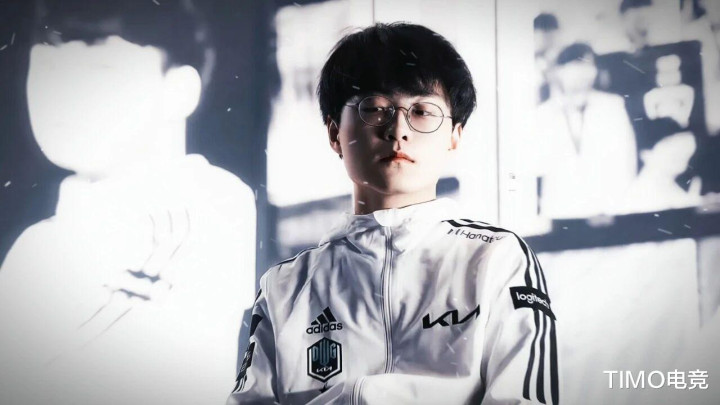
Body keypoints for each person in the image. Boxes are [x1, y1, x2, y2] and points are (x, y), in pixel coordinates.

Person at [227, 23, 561, 405]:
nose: (398, 130)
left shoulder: (496, 259)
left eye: (422, 111)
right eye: (375, 109)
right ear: (335, 134)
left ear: (455, 135)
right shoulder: (284, 286)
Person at [0, 1, 256, 404]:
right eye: (47, 70)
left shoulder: (202, 202)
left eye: (100, 72)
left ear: (179, 90)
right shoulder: (33, 248)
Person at [534, 43, 638, 219]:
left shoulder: (612, 105)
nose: (584, 73)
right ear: (559, 71)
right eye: (576, 65)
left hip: (608, 209)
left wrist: (618, 206)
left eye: (589, 66)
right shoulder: (543, 114)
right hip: (561, 211)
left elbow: (627, 160)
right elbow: (537, 168)